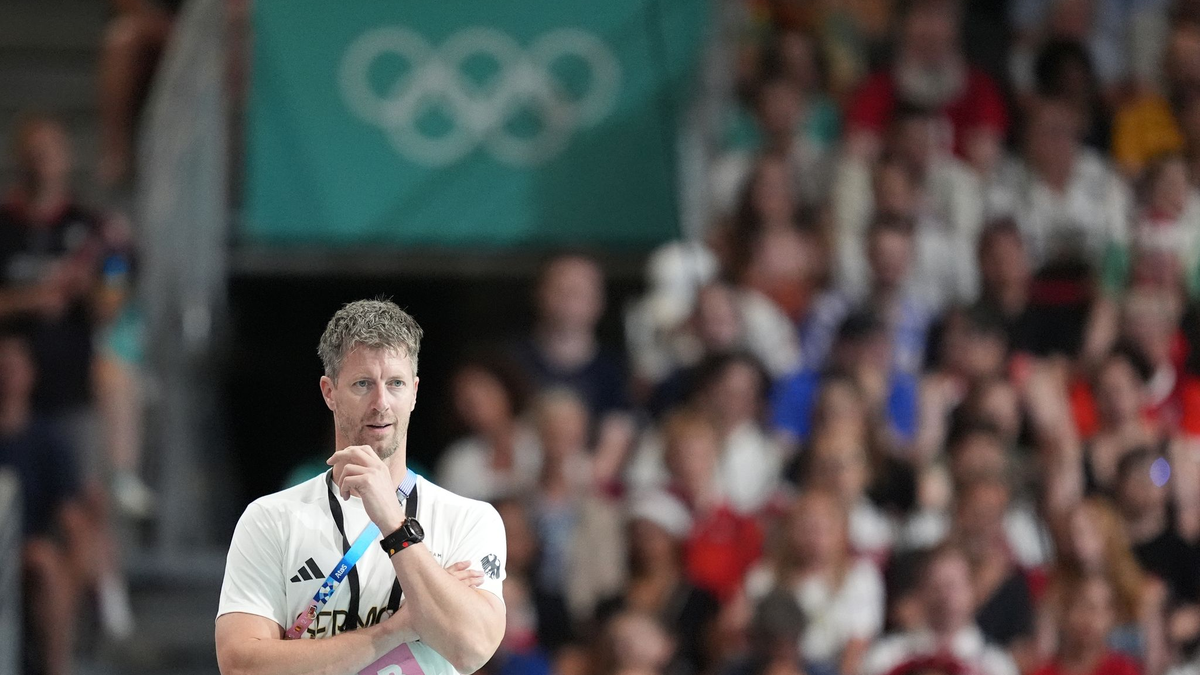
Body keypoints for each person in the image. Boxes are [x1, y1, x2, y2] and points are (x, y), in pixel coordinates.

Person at [216, 300, 507, 675]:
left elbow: (472, 649)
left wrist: (394, 523)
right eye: (363, 384)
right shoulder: (271, 519)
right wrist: (397, 629)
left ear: (415, 392)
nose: (381, 403)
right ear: (329, 392)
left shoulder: (470, 518)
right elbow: (241, 667)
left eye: (396, 384)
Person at [740, 490, 885, 675]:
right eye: (805, 527)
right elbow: (746, 633)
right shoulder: (763, 577)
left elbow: (858, 644)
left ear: (841, 531)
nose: (814, 536)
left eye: (823, 527)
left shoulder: (861, 578)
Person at [859, 543, 1018, 675]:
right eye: (936, 587)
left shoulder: (994, 664)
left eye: (952, 586)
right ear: (920, 592)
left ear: (972, 590)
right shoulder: (887, 656)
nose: (945, 596)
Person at [436, 355, 540, 502]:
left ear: (505, 388)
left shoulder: (543, 441)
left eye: (485, 391)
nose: (478, 405)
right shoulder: (458, 461)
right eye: (468, 400)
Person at [1031, 575, 1142, 675]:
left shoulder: (1123, 670)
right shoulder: (1042, 671)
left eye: (1098, 610)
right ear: (1065, 612)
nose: (1089, 618)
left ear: (1113, 617)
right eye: (1082, 606)